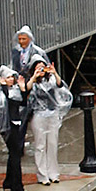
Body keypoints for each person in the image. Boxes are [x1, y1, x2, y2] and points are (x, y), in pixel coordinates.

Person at [25, 55, 67, 183]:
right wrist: (34, 77)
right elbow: (26, 89)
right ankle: (42, 175)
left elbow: (60, 85)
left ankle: (53, 173)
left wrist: (54, 73)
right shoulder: (33, 82)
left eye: (43, 68)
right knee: (40, 145)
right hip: (38, 115)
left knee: (52, 143)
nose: (41, 71)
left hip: (52, 113)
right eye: (38, 68)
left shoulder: (51, 79)